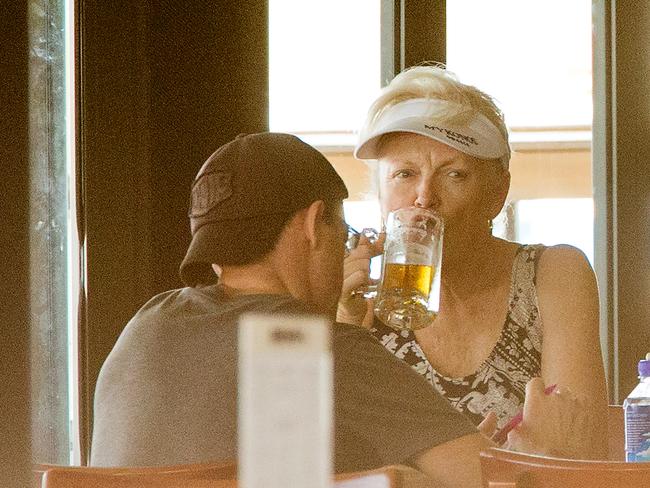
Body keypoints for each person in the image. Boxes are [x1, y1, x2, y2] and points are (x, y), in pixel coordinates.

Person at [90, 132, 580, 487]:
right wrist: (541, 453)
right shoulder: (313, 347)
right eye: (343, 235)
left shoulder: (145, 326)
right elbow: (492, 482)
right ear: (312, 225)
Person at [337, 65, 608, 459]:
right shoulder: (356, 304)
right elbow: (336, 463)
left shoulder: (552, 274)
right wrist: (342, 329)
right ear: (379, 195)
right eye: (404, 174)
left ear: (498, 193)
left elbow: (583, 451)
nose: (424, 197)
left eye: (454, 175)